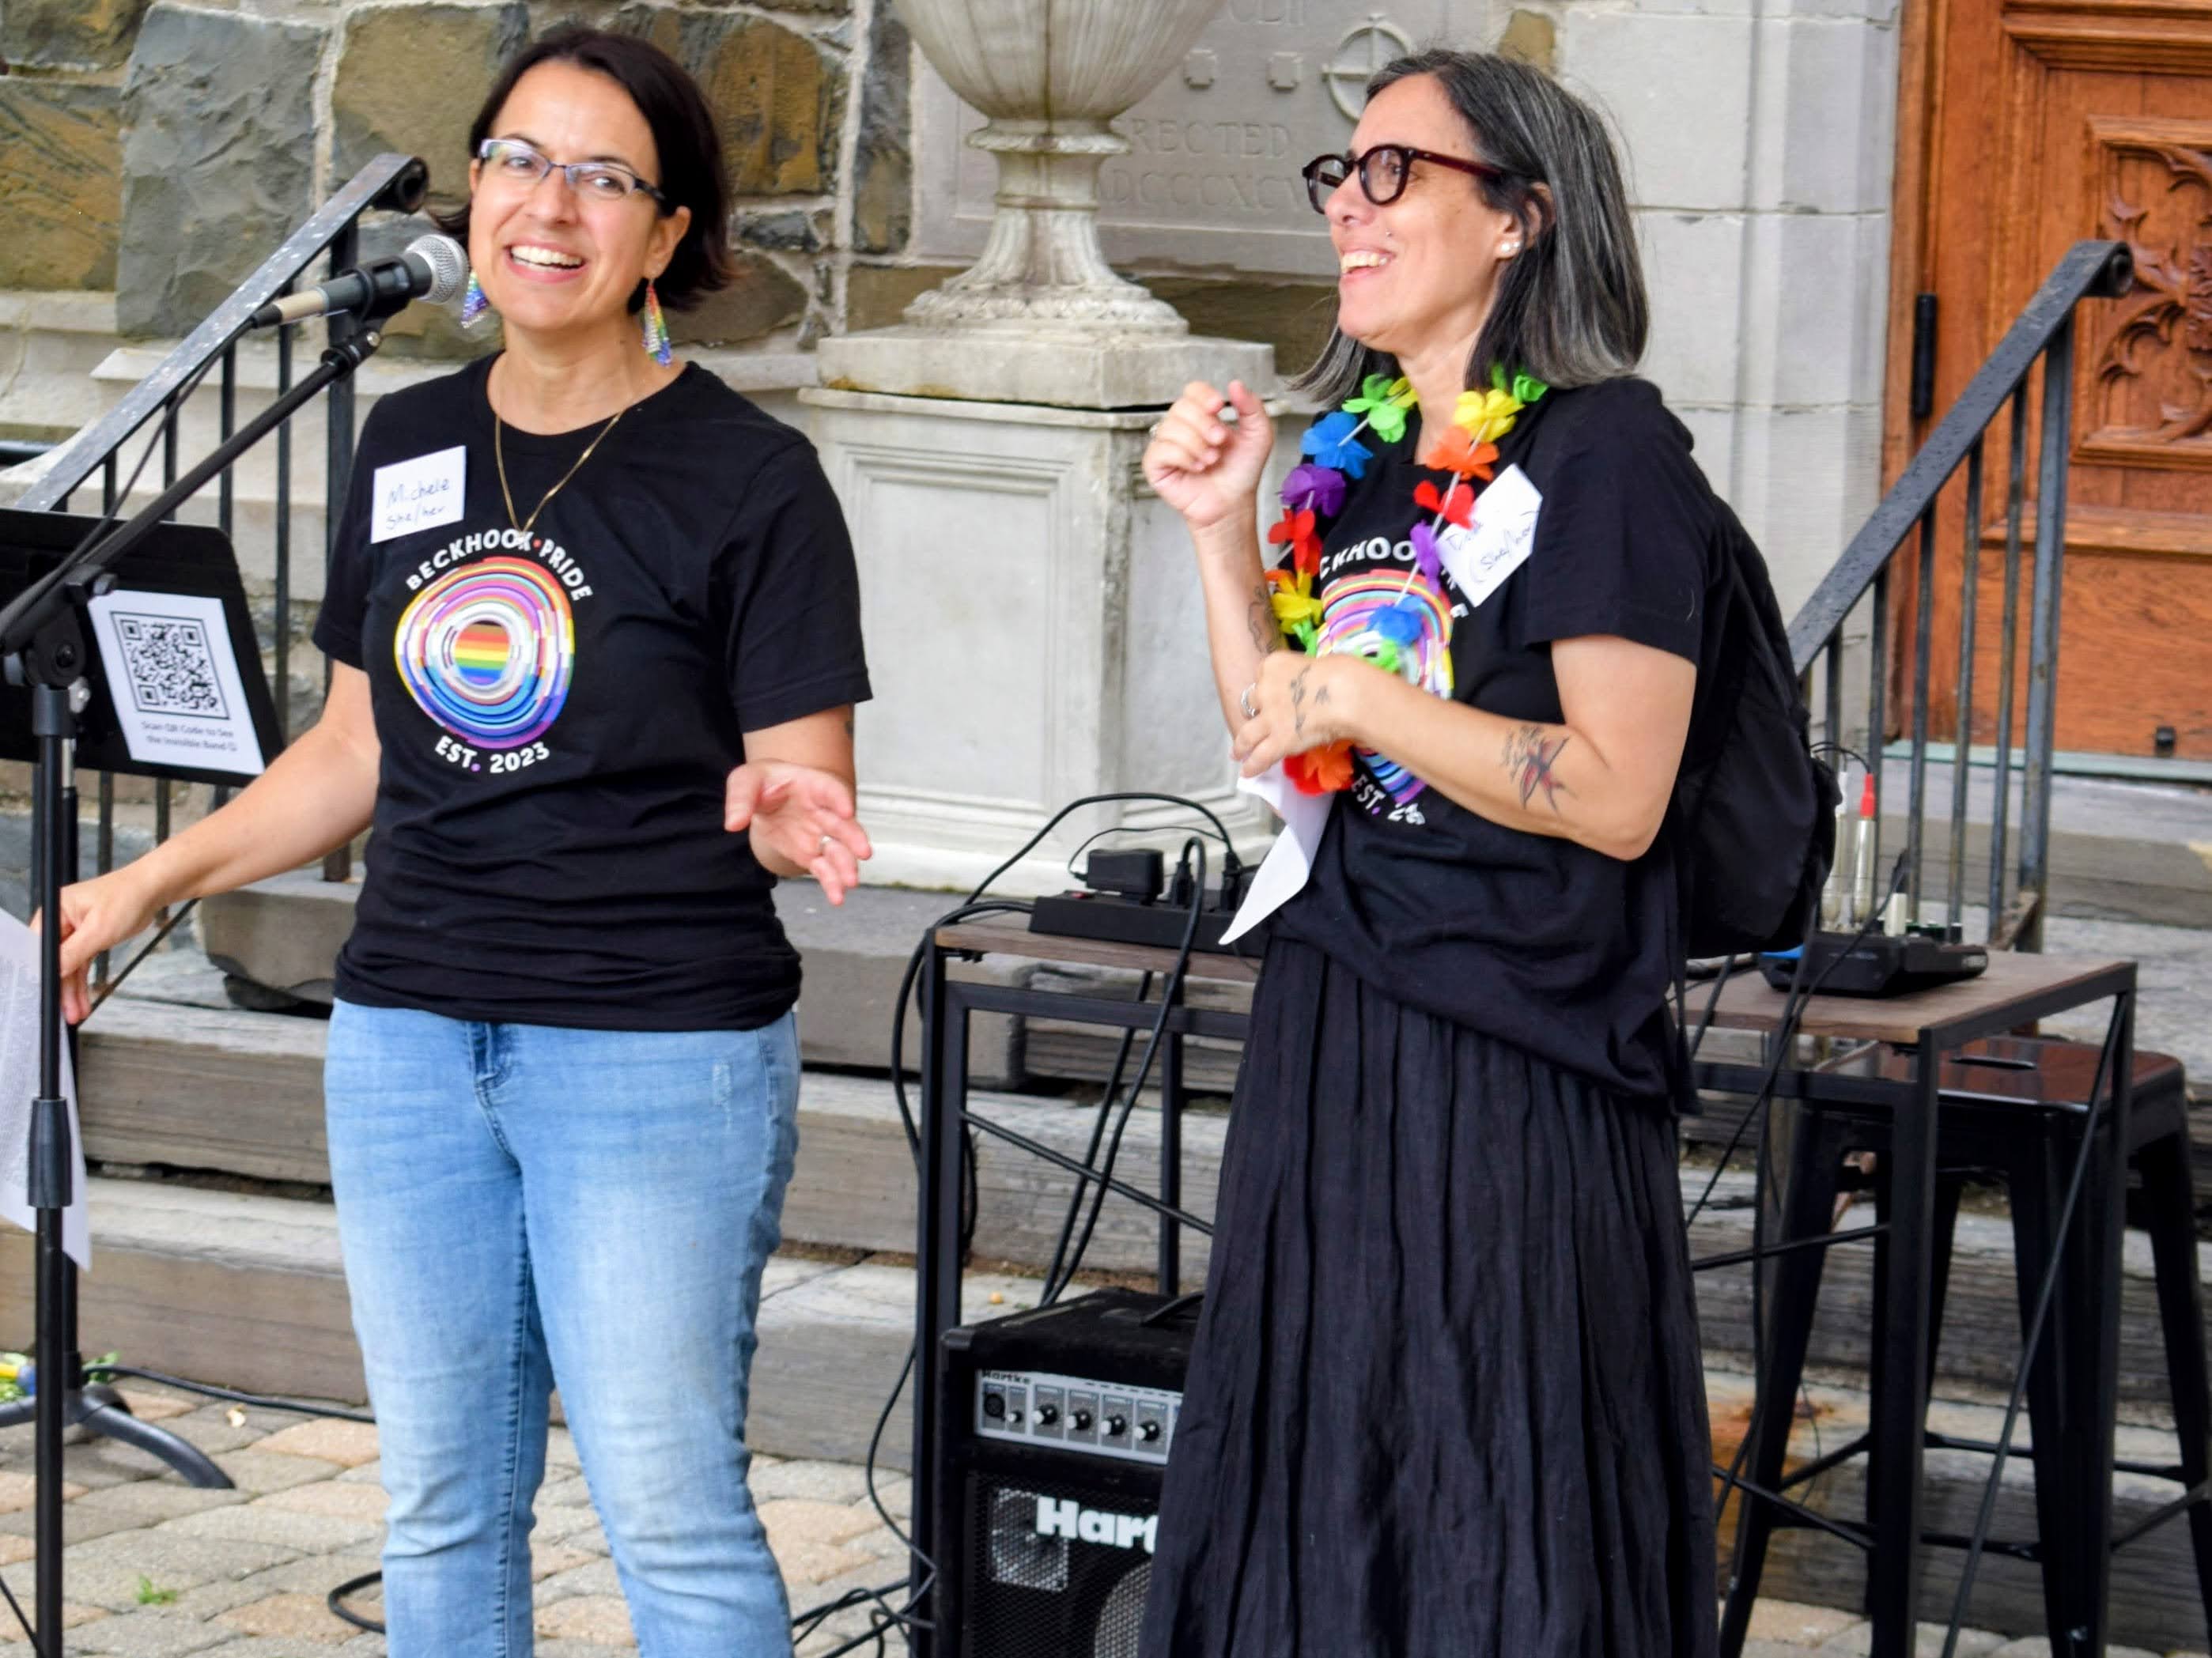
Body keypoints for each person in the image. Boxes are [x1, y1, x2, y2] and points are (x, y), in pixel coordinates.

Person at [49, 26, 871, 1656]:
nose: (543, 201)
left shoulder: (753, 480)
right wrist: (143, 877)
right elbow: (352, 749)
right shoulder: (408, 442)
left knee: (666, 1507)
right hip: (412, 1034)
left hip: (650, 1047)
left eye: (599, 174)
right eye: (513, 157)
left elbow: (803, 779)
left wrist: (781, 811)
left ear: (669, 235)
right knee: (438, 1503)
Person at [1137, 48, 1719, 1657]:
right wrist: (1221, 530)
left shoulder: (1605, 460)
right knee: (1322, 1483)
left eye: (1395, 171)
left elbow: (1615, 793)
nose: (1351, 205)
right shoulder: (1366, 452)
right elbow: (1285, 736)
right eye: (1341, 172)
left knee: (1496, 1503)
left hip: (1513, 1051)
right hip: (1339, 1018)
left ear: (1519, 217)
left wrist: (1372, 700)